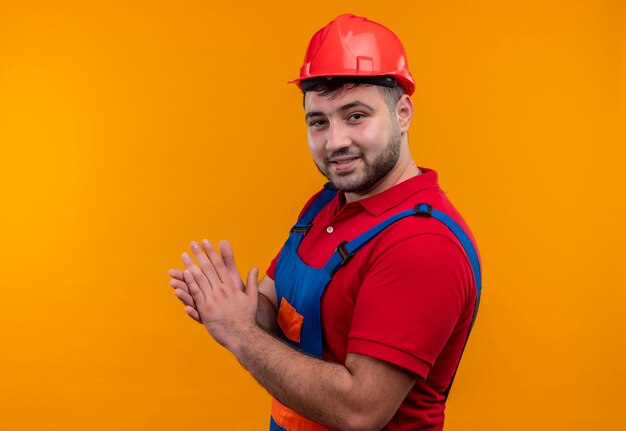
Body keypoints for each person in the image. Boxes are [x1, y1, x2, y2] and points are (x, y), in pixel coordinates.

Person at [168, 14, 481, 431]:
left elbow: (360, 410)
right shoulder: (325, 204)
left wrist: (240, 334)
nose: (335, 141)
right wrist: (232, 308)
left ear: (402, 113)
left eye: (355, 116)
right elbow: (276, 308)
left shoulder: (421, 245)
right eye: (319, 121)